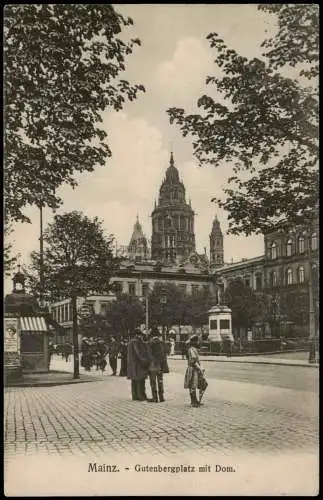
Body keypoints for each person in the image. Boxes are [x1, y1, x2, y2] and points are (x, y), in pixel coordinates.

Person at [127, 329, 150, 401]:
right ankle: (141, 396)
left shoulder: (130, 342)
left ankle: (135, 396)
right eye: (140, 335)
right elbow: (139, 353)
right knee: (140, 380)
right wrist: (146, 360)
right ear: (137, 335)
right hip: (138, 364)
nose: (141, 336)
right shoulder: (136, 342)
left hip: (132, 365)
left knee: (134, 381)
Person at [147, 333, 169, 402]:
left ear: (152, 337)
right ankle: (161, 397)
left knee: (153, 383)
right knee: (160, 381)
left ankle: (155, 398)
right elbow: (166, 353)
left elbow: (149, 355)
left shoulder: (150, 344)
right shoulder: (162, 344)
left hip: (152, 366)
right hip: (160, 367)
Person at [184, 334, 204, 408]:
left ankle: (195, 400)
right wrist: (199, 368)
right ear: (193, 342)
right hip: (193, 369)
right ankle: (193, 401)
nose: (198, 342)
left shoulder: (192, 349)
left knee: (194, 384)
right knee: (192, 384)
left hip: (194, 368)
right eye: (196, 341)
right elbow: (193, 361)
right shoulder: (191, 349)